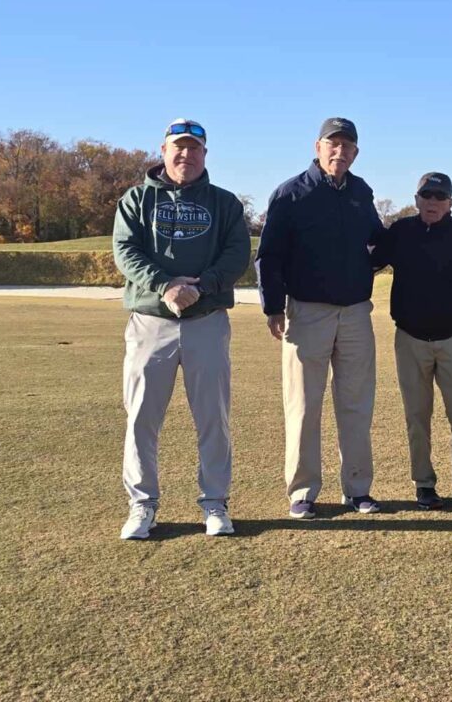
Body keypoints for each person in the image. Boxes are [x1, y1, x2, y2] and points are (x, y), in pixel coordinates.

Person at [112, 118, 251, 539]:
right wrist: (166, 285)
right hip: (151, 321)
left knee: (213, 417)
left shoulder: (225, 203)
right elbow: (124, 250)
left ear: (205, 154)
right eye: (179, 147)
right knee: (141, 418)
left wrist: (202, 287)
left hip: (206, 320)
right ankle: (142, 505)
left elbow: (236, 255)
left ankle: (215, 503)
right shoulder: (136, 200)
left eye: (194, 148)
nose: (185, 155)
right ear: (163, 150)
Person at [256, 117, 385, 519]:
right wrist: (273, 306)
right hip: (307, 311)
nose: (339, 151)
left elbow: (376, 242)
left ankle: (358, 489)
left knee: (357, 404)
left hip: (355, 313)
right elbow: (270, 255)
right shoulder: (292, 193)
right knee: (304, 405)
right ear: (317, 147)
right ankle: (303, 491)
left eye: (347, 145)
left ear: (356, 152)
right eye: (333, 144)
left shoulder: (361, 192)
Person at [372, 172, 452, 510]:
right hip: (410, 339)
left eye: (440, 197)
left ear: (450, 204)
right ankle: (424, 484)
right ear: (416, 200)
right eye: (427, 195)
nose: (433, 202)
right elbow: (369, 261)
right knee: (417, 416)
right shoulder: (401, 232)